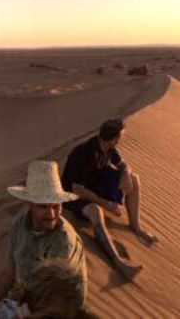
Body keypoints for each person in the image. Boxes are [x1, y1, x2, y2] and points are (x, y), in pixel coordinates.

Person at [60, 118, 158, 280]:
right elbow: (78, 189)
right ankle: (119, 263)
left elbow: (123, 164)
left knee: (133, 178)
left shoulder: (108, 147)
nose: (121, 139)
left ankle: (136, 227)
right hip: (72, 194)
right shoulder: (84, 154)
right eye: (121, 136)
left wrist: (126, 173)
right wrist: (107, 204)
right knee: (95, 210)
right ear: (114, 138)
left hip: (94, 185)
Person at [0, 161, 87, 319]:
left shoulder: (63, 240)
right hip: (20, 300)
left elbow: (56, 299)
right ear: (29, 204)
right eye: (43, 207)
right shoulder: (19, 225)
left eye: (56, 206)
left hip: (56, 311)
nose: (52, 214)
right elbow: (11, 271)